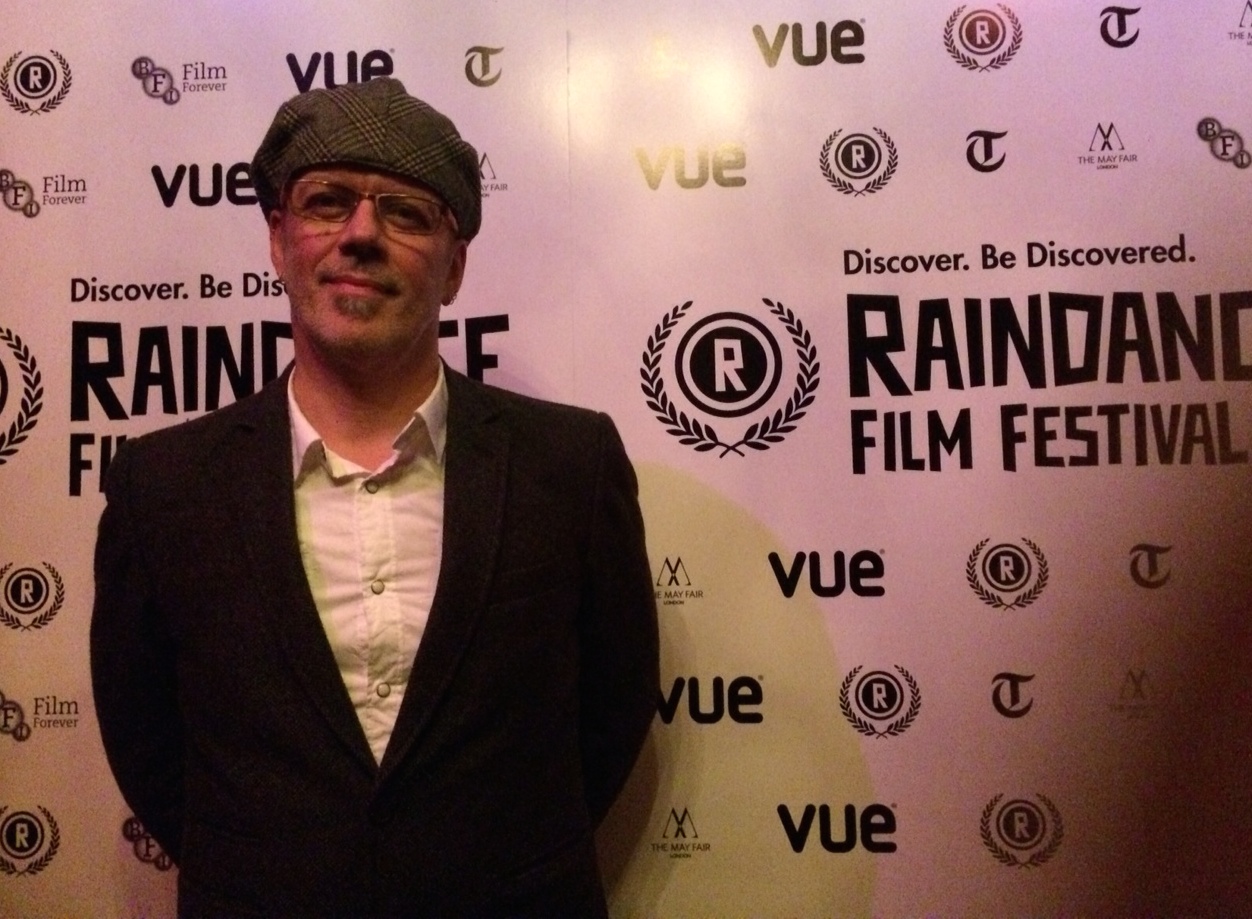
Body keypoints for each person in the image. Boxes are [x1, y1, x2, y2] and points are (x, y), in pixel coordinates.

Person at [90, 77, 658, 918]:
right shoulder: (163, 485)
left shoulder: (571, 464)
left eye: (405, 212)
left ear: (455, 266)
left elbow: (611, 714)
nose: (361, 235)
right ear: (279, 240)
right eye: (327, 202)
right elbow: (148, 743)